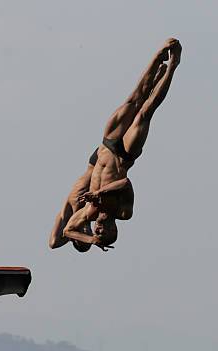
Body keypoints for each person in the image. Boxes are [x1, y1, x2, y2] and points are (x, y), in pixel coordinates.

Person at [49, 38, 182, 252]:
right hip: (124, 155)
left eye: (97, 233)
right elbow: (125, 183)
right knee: (145, 112)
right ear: (114, 230)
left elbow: (65, 233)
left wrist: (91, 241)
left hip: (105, 147)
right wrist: (100, 194)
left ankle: (157, 59)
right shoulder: (123, 213)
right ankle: (172, 66)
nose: (99, 230)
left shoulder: (89, 212)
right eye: (105, 233)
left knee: (132, 100)